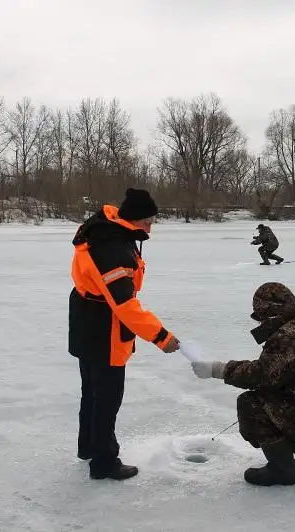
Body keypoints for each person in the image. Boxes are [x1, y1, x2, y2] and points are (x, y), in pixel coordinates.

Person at [68, 188, 180, 481]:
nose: (150, 228)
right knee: (106, 397)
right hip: (103, 327)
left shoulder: (106, 230)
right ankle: (104, 462)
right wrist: (161, 336)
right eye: (147, 222)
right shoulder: (112, 249)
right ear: (132, 219)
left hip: (87, 321)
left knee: (91, 392)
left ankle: (89, 448)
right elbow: (125, 306)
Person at [191, 282, 295, 486]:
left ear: (272, 312)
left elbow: (262, 376)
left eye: (262, 315)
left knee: (251, 404)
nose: (261, 321)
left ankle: (282, 469)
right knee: (275, 402)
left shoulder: (288, 337)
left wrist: (217, 369)